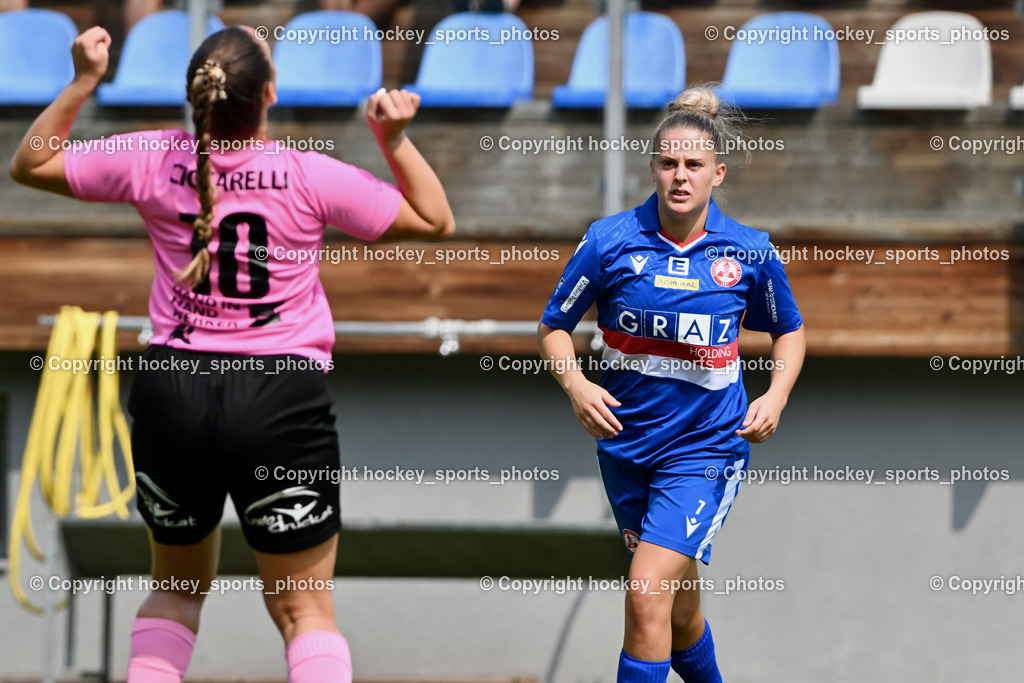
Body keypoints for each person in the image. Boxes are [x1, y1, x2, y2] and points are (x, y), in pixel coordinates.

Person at [11, 24, 454, 683]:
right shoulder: (310, 173)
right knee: (304, 607)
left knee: (176, 591)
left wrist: (82, 81)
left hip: (173, 391)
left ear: (196, 95)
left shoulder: (151, 157)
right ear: (268, 95)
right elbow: (435, 220)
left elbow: (31, 165)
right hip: (279, 396)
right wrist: (393, 141)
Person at [537, 87, 805, 683]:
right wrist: (577, 385)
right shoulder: (609, 241)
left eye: (693, 166)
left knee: (646, 594)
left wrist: (775, 396)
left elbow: (790, 332)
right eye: (668, 163)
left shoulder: (748, 251)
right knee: (678, 610)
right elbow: (553, 328)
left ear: (718, 173)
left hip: (705, 448)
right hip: (626, 448)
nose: (679, 178)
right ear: (653, 166)